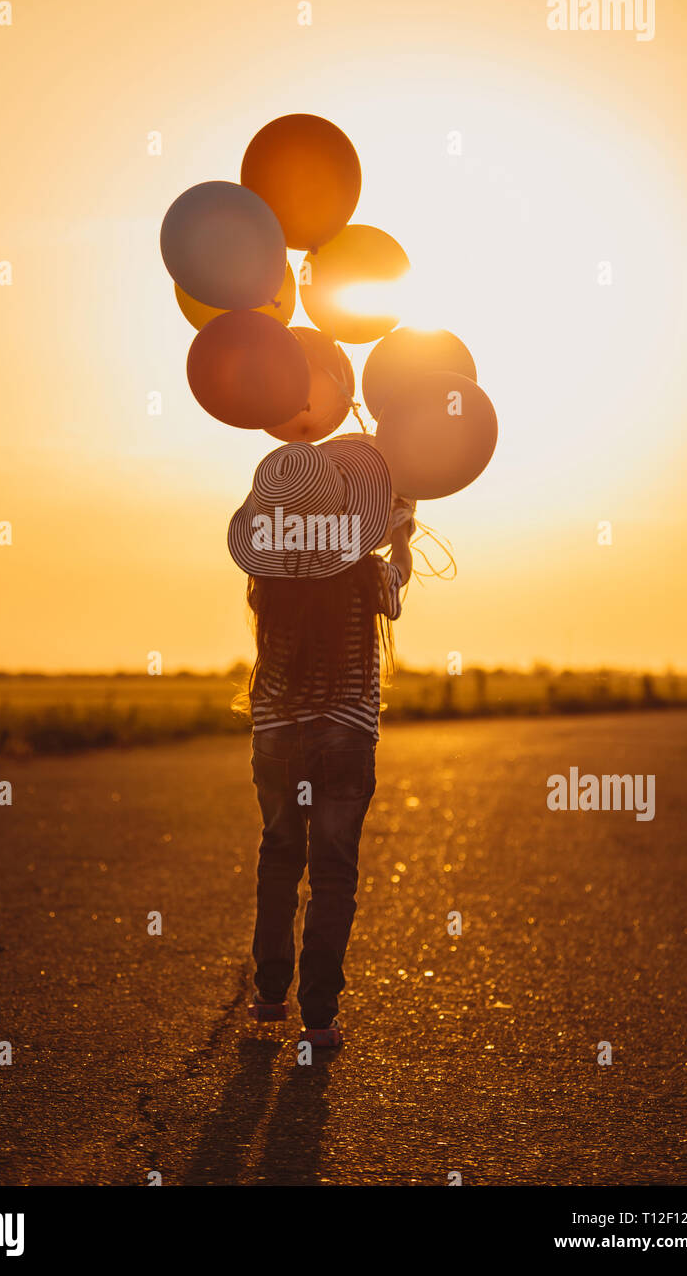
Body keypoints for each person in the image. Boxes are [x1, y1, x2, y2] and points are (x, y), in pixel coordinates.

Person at [227, 435, 414, 1048]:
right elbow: (397, 588)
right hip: (344, 733)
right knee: (334, 871)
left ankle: (269, 996)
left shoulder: (265, 580)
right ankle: (319, 1016)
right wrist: (402, 534)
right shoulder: (366, 573)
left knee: (279, 856)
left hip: (276, 730)